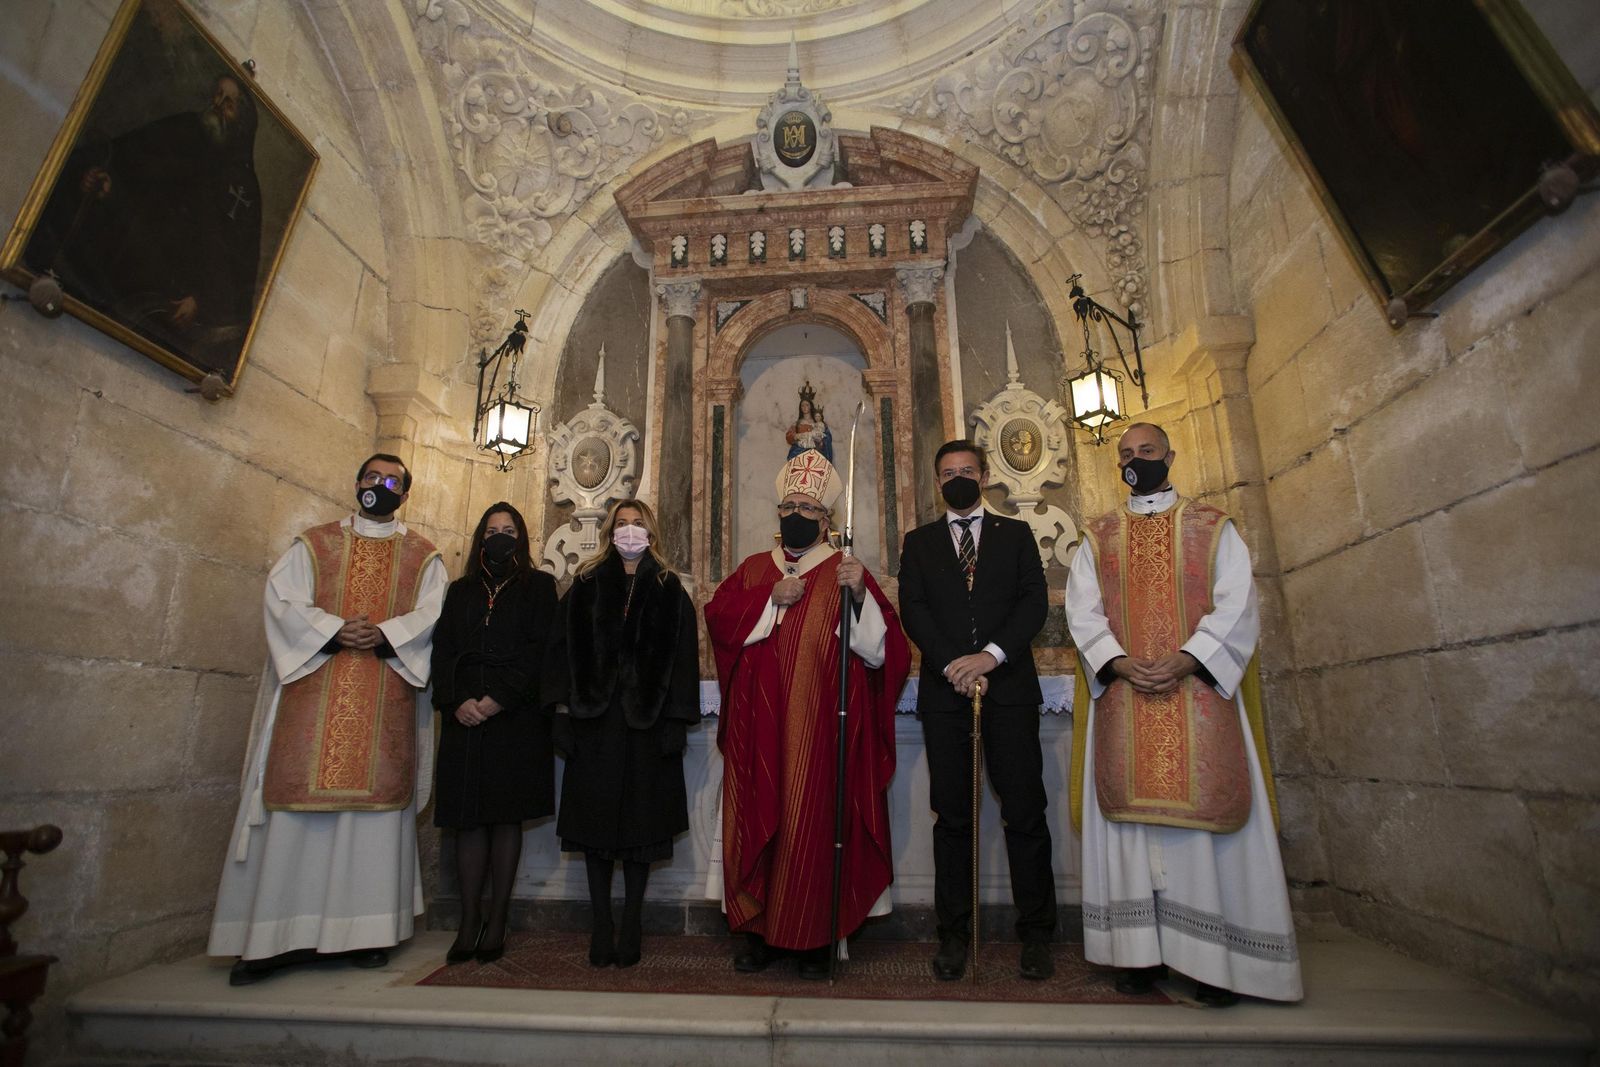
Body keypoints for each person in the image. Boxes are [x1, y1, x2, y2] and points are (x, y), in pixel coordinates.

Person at [1065, 422, 1303, 1006]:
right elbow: (1083, 611)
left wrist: (1189, 658)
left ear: (1170, 456)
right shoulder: (1098, 536)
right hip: (1124, 697)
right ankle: (1138, 955)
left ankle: (1212, 964)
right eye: (1126, 454)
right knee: (1131, 825)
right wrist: (1117, 662)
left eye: (1147, 451)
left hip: (1197, 692)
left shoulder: (1212, 528)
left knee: (1203, 828)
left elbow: (1237, 604)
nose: (1136, 460)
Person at [209, 454, 446, 985]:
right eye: (372, 477)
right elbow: (282, 602)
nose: (380, 485)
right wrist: (333, 629)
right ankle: (270, 938)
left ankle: (365, 933)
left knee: (372, 819)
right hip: (313, 696)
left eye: (392, 481)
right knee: (293, 815)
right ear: (357, 482)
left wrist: (385, 633)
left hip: (382, 695)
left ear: (405, 494)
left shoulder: (423, 556)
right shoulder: (313, 546)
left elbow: (433, 615)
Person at [704, 448, 910, 979]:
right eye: (789, 506)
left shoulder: (845, 571)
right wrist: (768, 599)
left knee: (811, 821)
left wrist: (860, 595)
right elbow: (719, 618)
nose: (797, 514)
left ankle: (816, 936)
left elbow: (884, 652)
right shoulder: (755, 569)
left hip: (819, 732)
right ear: (778, 513)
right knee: (756, 820)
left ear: (826, 519)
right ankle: (756, 932)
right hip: (757, 728)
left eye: (809, 508)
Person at [898, 439, 1056, 982]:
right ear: (937, 482)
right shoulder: (919, 542)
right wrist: (953, 665)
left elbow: (1033, 601)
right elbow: (914, 610)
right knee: (952, 818)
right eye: (948, 473)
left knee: (1025, 813)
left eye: (967, 470)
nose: (958, 479)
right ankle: (954, 935)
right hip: (946, 696)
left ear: (985, 476)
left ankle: (1036, 935)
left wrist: (989, 657)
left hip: (1008, 689)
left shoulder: (1016, 534)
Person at [27, 73, 263, 376]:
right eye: (218, 95)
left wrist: (201, 300)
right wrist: (108, 182)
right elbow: (134, 163)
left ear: (242, 123)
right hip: (126, 250)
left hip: (170, 292)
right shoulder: (183, 127)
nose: (217, 105)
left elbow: (235, 261)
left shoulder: (242, 186)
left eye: (229, 104)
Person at [549, 500, 700, 968]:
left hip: (648, 725)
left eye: (637, 524)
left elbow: (684, 661)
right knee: (594, 826)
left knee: (641, 827)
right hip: (595, 723)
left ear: (650, 533)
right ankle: (601, 924)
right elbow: (561, 651)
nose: (629, 531)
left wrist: (677, 722)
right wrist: (561, 713)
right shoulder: (586, 583)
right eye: (622, 524)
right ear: (610, 532)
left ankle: (631, 921)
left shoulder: (670, 588)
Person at [429, 502, 558, 965]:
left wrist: (500, 697)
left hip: (514, 717)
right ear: (480, 539)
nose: (499, 536)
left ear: (520, 538)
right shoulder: (461, 590)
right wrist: (457, 700)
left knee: (505, 818)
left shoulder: (539, 586)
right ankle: (469, 920)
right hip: (465, 715)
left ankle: (498, 918)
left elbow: (542, 650)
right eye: (491, 530)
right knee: (468, 819)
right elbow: (443, 649)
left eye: (508, 529)